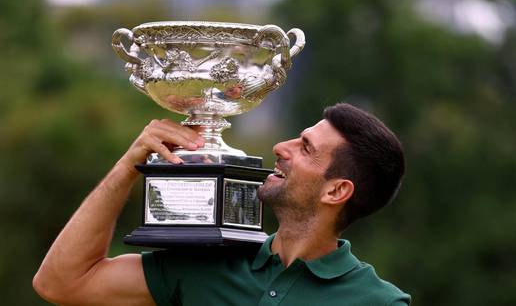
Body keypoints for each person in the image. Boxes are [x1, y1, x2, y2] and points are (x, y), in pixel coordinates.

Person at [33, 103, 411, 305]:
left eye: (305, 148)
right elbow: (61, 283)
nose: (281, 148)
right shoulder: (206, 264)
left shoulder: (378, 303)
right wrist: (128, 167)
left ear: (336, 191)